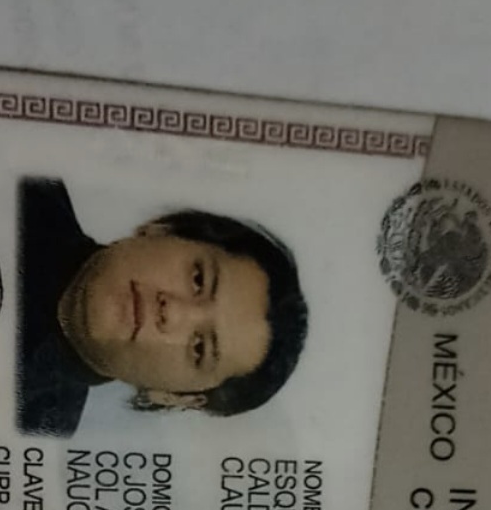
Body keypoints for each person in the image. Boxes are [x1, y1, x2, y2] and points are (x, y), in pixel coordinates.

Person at [17, 178, 309, 435]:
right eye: (198, 280)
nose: (173, 311)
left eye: (199, 348)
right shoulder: (27, 177)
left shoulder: (34, 438)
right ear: (163, 229)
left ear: (174, 396)